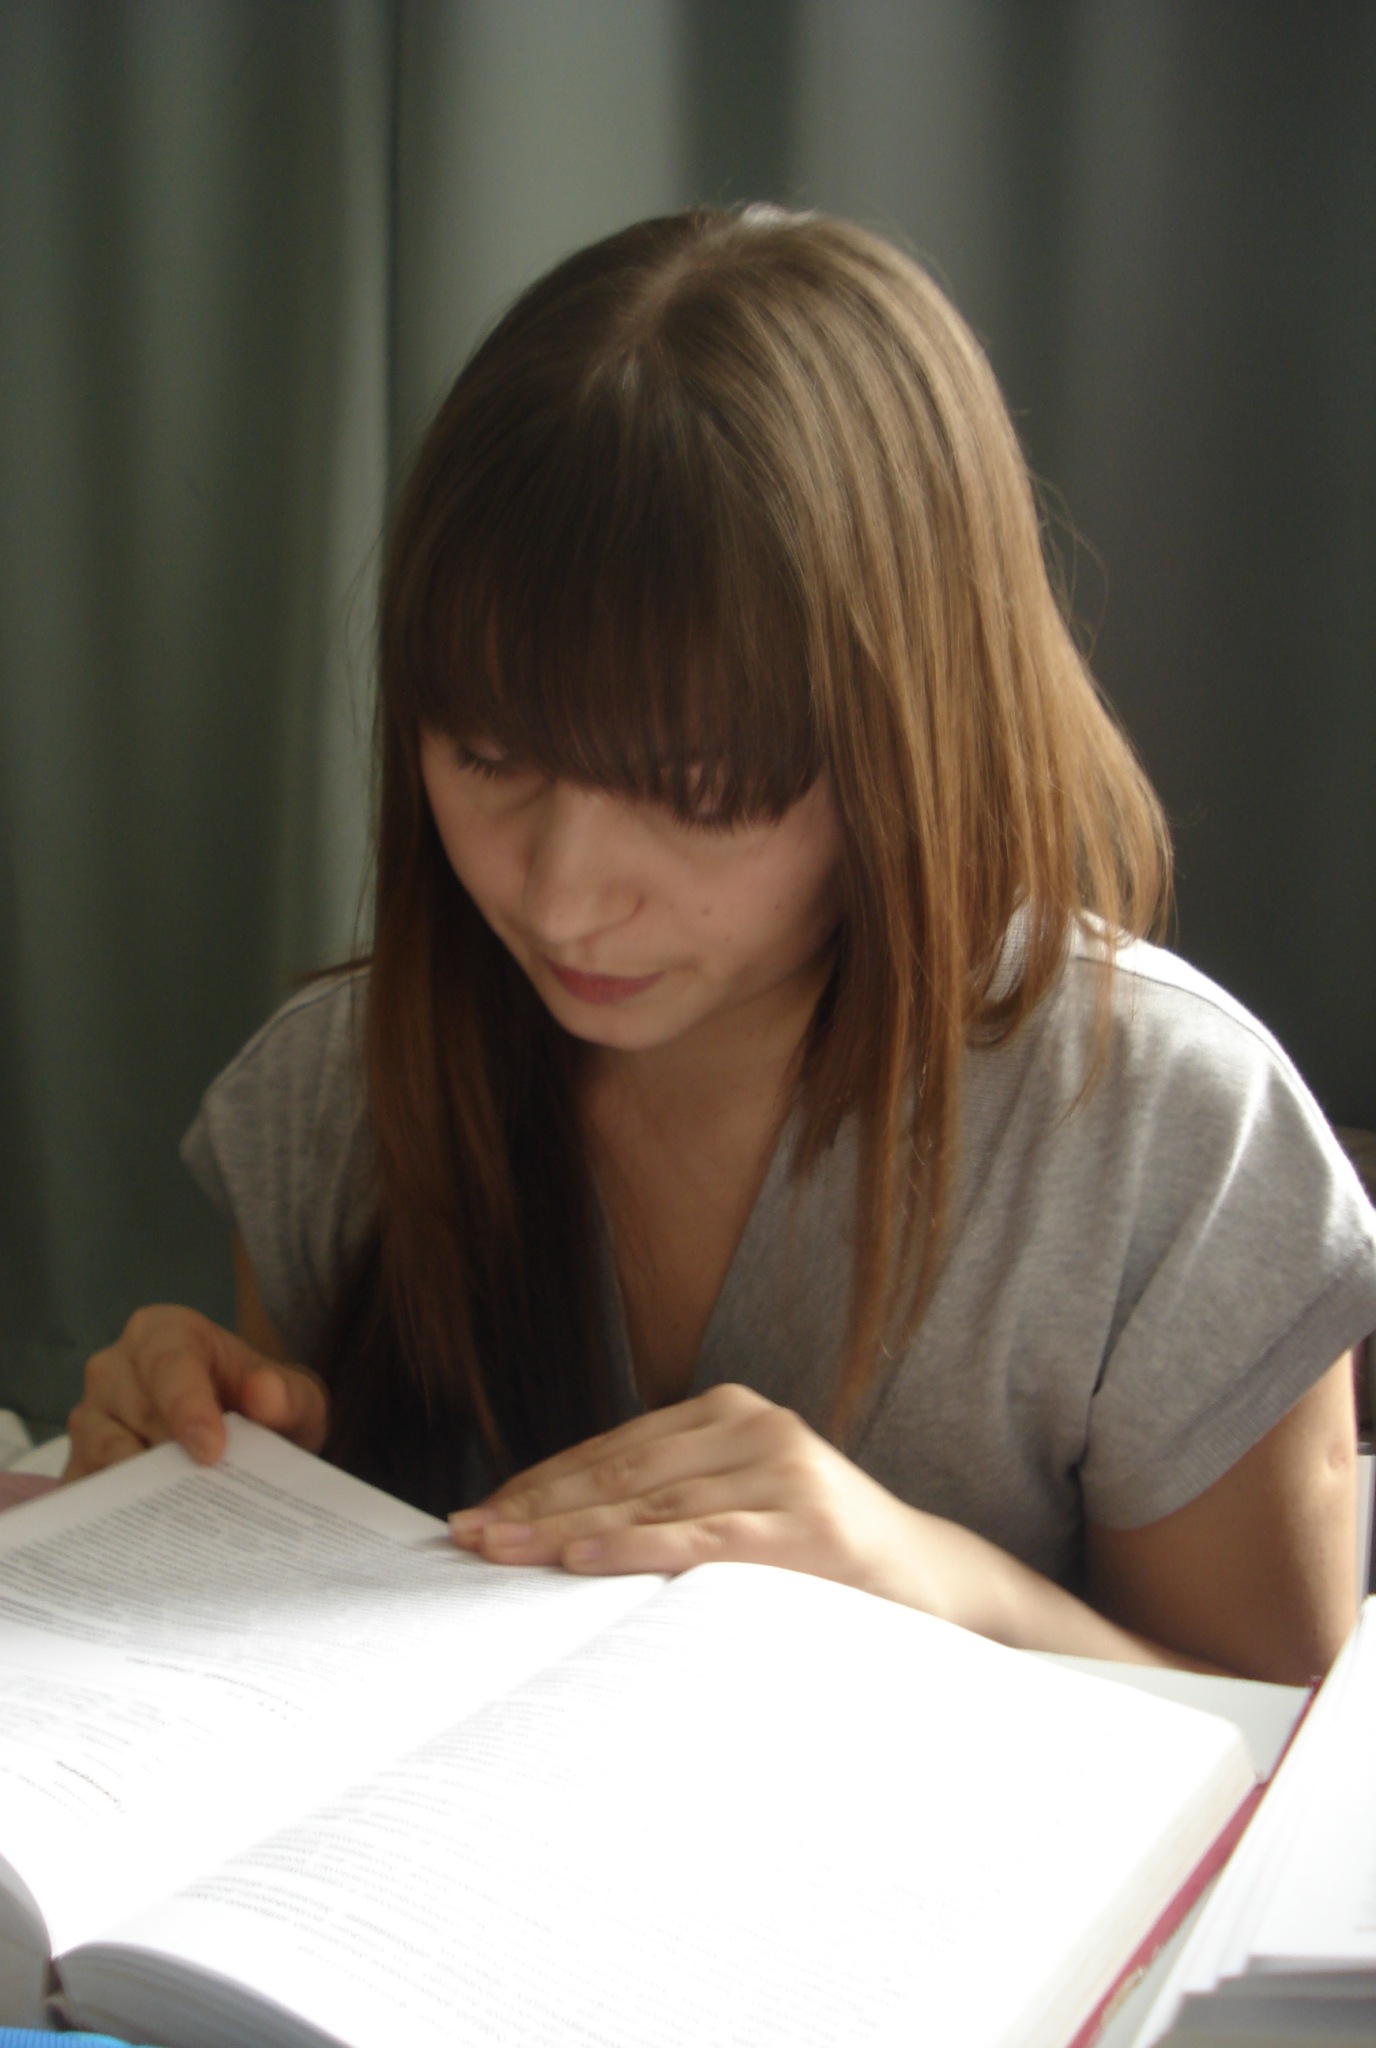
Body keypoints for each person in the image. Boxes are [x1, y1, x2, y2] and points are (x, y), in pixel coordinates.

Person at [67, 206, 1376, 1685]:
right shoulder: (337, 1098)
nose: (562, 899)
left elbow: (1280, 1750)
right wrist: (218, 1468)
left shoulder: (1168, 1141)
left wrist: (921, 1576)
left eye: (693, 792)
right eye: (486, 755)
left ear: (904, 741)